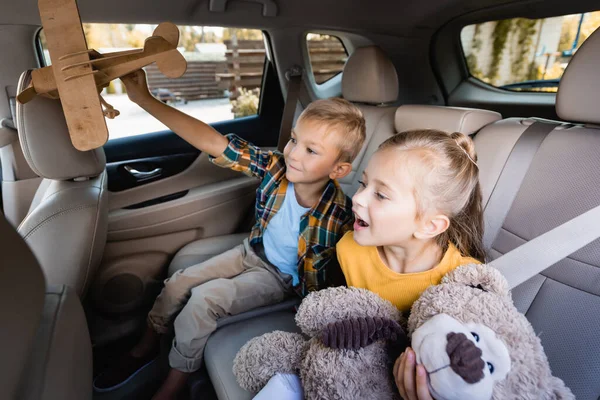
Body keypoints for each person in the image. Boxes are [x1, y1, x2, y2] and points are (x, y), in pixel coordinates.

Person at [93, 70, 367, 400]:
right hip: (252, 252)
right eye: (294, 140)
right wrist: (145, 100)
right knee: (179, 282)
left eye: (312, 151)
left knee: (204, 300)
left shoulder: (341, 215)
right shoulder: (276, 167)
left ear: (338, 170)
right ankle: (143, 349)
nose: (293, 153)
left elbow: (362, 261)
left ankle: (173, 383)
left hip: (282, 279)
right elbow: (214, 143)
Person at [256, 129, 484, 400]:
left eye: (381, 195)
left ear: (429, 225)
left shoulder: (463, 283)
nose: (359, 198)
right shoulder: (349, 249)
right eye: (364, 184)